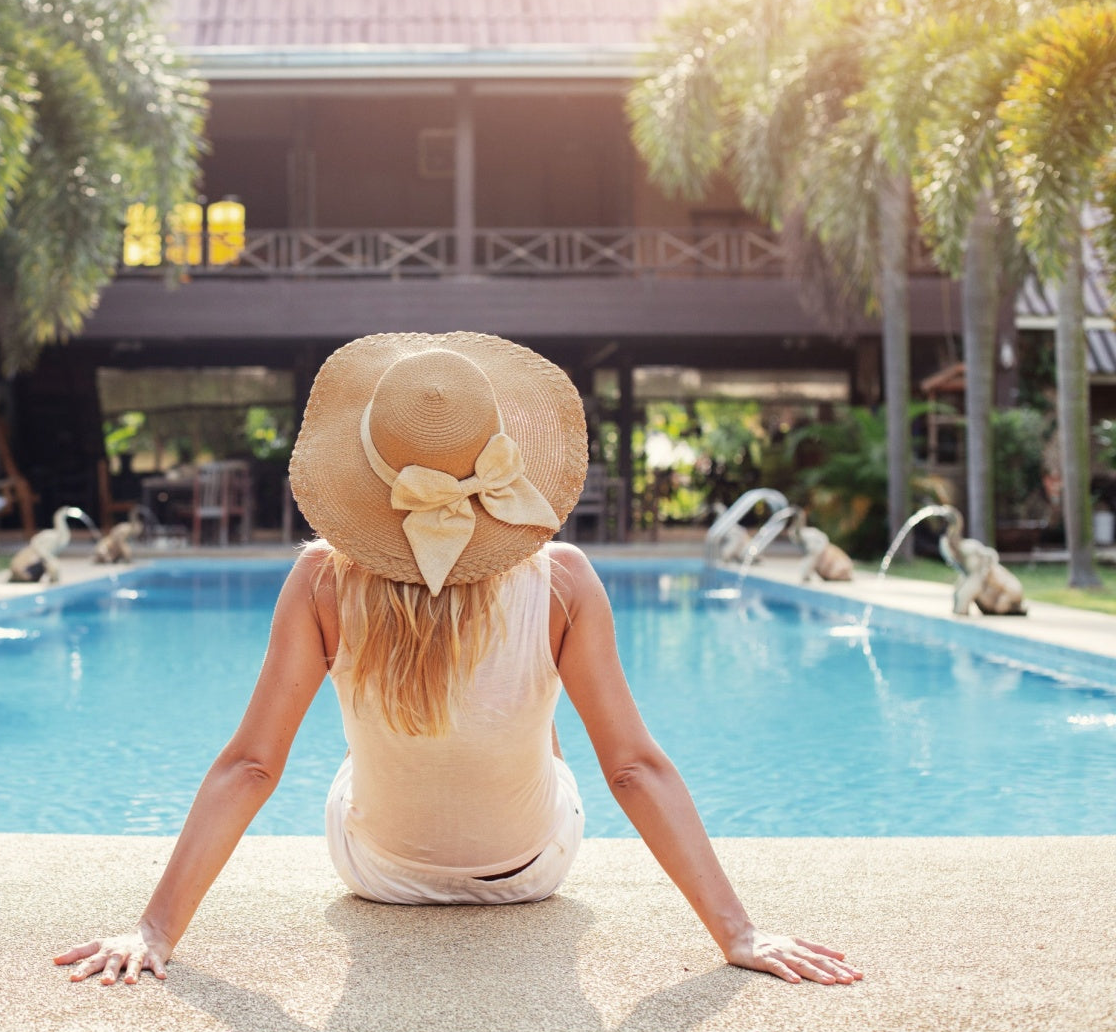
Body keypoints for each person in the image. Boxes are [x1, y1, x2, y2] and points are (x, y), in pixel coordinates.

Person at [56, 332, 861, 989]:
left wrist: (154, 928)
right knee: (542, 727)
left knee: (370, 739)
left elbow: (252, 767)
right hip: (530, 868)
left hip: (376, 867)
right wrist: (738, 931)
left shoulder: (319, 581)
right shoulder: (565, 582)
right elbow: (634, 772)